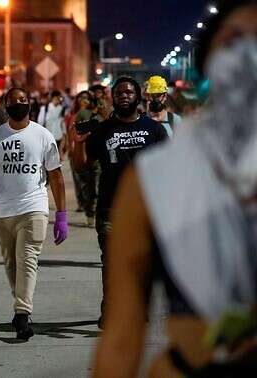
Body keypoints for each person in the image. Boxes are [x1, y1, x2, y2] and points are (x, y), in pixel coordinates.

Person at [93, 1, 257, 376]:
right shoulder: (154, 179)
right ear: (207, 67)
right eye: (233, 41)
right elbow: (122, 335)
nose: (250, 53)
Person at [72, 76, 168, 329]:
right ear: (112, 98)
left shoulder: (154, 130)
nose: (124, 96)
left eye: (129, 92)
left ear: (138, 97)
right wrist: (78, 143)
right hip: (110, 208)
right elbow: (82, 166)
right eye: (119, 93)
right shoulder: (102, 130)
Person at [0, 87, 68, 340]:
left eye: (23, 99)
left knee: (28, 259)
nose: (19, 103)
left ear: (30, 104)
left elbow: (56, 175)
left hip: (34, 208)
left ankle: (22, 313)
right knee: (12, 265)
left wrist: (61, 214)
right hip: (3, 211)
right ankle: (22, 308)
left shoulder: (42, 135)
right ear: (5, 106)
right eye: (13, 101)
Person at [65, 91, 98, 226]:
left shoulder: (96, 114)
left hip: (94, 155)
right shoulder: (75, 115)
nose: (84, 100)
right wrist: (68, 147)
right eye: (82, 98)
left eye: (87, 98)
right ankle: (86, 206)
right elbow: (70, 133)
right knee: (83, 182)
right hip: (78, 152)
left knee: (94, 183)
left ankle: (92, 208)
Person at [38, 90, 67, 161]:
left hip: (58, 137)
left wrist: (64, 136)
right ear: (52, 98)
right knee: (47, 159)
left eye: (59, 98)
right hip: (47, 137)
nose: (58, 100)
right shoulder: (45, 108)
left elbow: (62, 123)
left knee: (57, 160)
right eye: (57, 98)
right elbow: (40, 122)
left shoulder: (62, 109)